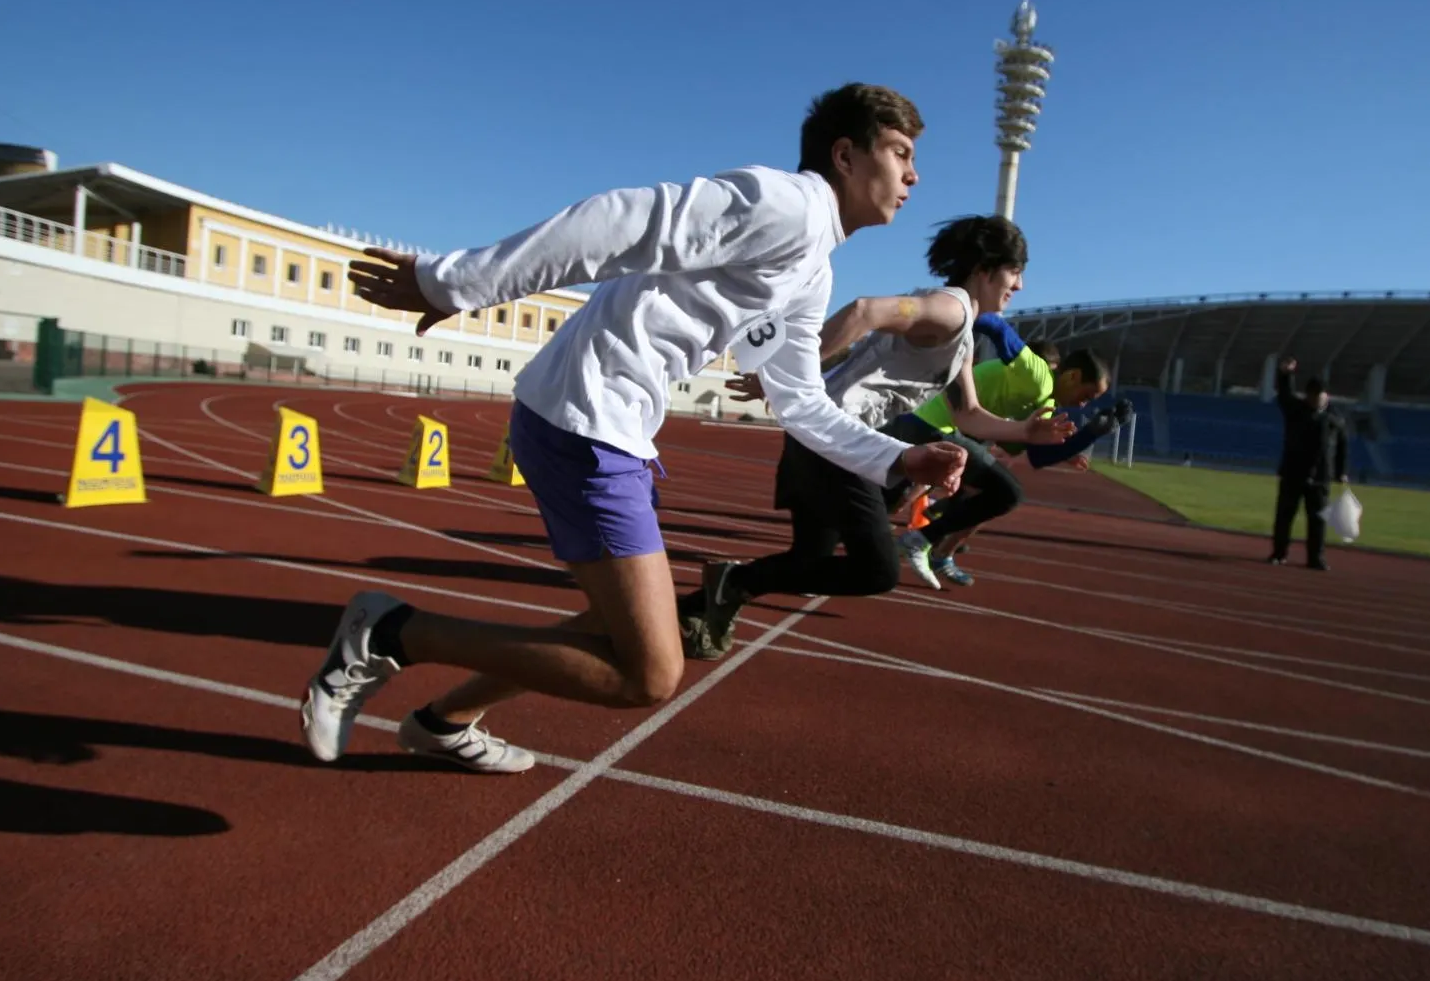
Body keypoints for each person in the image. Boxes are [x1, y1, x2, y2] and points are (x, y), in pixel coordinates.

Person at [296, 83, 969, 774]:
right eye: (900, 153)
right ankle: (392, 632)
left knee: (611, 623)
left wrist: (898, 458)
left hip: (614, 425)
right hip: (585, 418)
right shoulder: (788, 205)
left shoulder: (813, 267)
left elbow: (796, 397)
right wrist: (456, 283)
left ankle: (445, 721)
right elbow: (620, 221)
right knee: (648, 674)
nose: (913, 175)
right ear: (846, 155)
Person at [676, 215, 1075, 658]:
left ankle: (695, 606)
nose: (1018, 284)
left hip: (819, 435)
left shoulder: (959, 330)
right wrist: (789, 373)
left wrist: (1026, 431)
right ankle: (733, 585)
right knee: (876, 571)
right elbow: (865, 310)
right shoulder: (951, 309)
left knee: (810, 558)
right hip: (836, 439)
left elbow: (969, 415)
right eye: (1014, 271)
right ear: (984, 269)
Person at [895, 341, 1126, 587]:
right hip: (931, 425)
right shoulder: (1038, 377)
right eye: (1087, 395)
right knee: (1002, 492)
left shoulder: (1044, 400)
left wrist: (1088, 435)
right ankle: (925, 538)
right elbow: (996, 326)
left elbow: (1034, 453)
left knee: (897, 497)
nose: (1084, 404)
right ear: (1072, 376)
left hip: (938, 427)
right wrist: (965, 318)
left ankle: (924, 536)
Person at [1269, 356, 1349, 570]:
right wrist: (1285, 375)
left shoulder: (1335, 419)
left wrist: (1341, 471)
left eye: (1319, 398)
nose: (1315, 401)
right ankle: (1279, 553)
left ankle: (1316, 558)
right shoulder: (1295, 410)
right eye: (1312, 397)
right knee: (1284, 516)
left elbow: (1342, 446)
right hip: (1293, 473)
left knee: (1317, 521)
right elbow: (1284, 395)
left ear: (1327, 397)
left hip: (1321, 477)